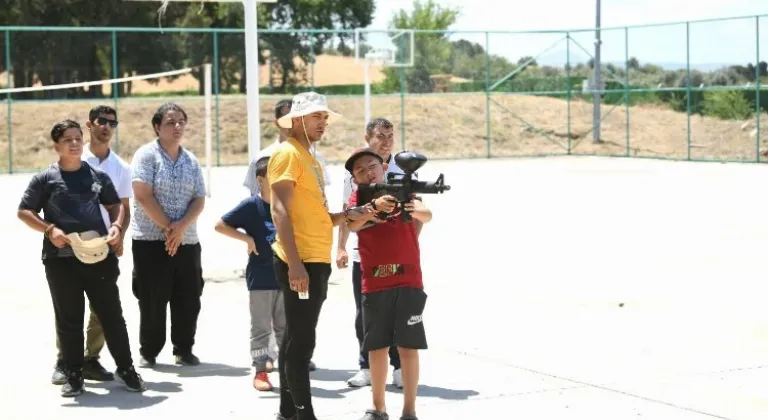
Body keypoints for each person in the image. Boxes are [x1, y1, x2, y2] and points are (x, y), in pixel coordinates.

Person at [17, 119, 145, 397]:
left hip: (99, 256)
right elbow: (25, 211)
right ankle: (74, 375)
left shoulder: (98, 175)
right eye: (67, 140)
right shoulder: (45, 179)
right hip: (60, 259)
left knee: (111, 315)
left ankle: (127, 369)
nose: (74, 144)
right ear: (56, 146)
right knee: (69, 319)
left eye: (77, 138)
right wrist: (50, 229)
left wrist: (116, 226)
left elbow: (115, 206)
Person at [268, 92, 361, 420]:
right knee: (303, 341)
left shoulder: (310, 158)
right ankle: (304, 413)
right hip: (301, 261)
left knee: (296, 337)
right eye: (315, 117)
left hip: (314, 259)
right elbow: (279, 212)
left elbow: (321, 214)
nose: (323, 123)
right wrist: (295, 264)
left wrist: (356, 213)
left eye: (324, 117)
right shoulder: (287, 153)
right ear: (297, 121)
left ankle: (286, 413)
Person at [344, 147, 433, 420]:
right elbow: (351, 223)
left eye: (372, 165)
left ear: (384, 165)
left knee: (408, 347)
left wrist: (417, 208)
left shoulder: (404, 189)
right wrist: (373, 208)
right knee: (377, 347)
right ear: (355, 179)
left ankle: (409, 411)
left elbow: (426, 215)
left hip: (408, 279)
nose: (367, 172)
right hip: (375, 281)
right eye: (360, 171)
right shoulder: (359, 197)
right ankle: (378, 408)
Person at [49, 105, 133, 385]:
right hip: (68, 248)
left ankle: (90, 359)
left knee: (103, 310)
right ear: (89, 125)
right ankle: (65, 361)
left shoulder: (120, 167)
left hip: (101, 248)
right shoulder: (73, 154)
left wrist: (119, 233)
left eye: (112, 122)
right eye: (102, 121)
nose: (107, 126)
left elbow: (122, 207)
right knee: (69, 309)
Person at [338, 118, 423, 388]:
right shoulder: (355, 167)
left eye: (390, 135)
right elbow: (347, 212)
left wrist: (407, 242)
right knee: (365, 314)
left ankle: (398, 366)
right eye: (380, 135)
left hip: (399, 258)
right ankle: (366, 366)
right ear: (368, 137)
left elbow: (418, 212)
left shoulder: (404, 167)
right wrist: (340, 246)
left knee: (400, 313)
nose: (386, 140)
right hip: (363, 256)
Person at [130, 103, 207, 367]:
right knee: (152, 298)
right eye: (170, 122)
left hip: (186, 242)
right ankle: (149, 351)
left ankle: (183, 348)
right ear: (156, 127)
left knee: (188, 297)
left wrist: (181, 227)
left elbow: (199, 198)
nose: (177, 127)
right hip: (151, 242)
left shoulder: (191, 160)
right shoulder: (146, 156)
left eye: (181, 122)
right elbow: (142, 194)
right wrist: (168, 228)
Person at [214, 156, 285, 392]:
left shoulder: (287, 205)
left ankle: (288, 370)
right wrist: (247, 238)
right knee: (261, 328)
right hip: (261, 279)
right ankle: (260, 371)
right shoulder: (251, 206)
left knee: (286, 328)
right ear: (260, 179)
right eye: (273, 175)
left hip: (287, 278)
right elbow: (220, 225)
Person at [243, 99, 331, 198]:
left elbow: (322, 197)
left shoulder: (315, 157)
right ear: (277, 123)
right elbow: (255, 198)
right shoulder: (263, 157)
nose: (292, 122)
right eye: (287, 118)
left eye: (296, 118)